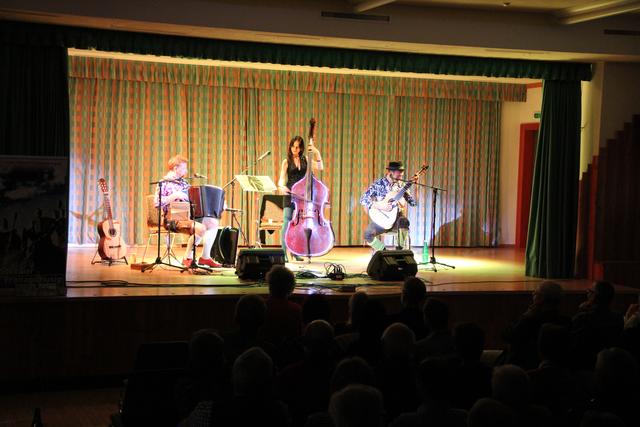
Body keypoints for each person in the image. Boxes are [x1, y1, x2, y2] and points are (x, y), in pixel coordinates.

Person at [155, 155, 221, 268]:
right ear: (176, 168)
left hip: (188, 215)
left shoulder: (184, 183)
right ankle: (187, 258)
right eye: (184, 168)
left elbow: (193, 198)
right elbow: (157, 203)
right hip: (172, 217)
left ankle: (205, 257)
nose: (186, 171)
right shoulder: (163, 183)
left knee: (213, 222)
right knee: (201, 228)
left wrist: (217, 202)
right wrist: (174, 196)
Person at [277, 135, 324, 261]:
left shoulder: (306, 160)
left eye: (297, 147)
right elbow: (281, 179)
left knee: (298, 226)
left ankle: (295, 251)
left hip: (302, 196)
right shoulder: (286, 161)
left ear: (301, 148)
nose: (295, 149)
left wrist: (316, 152)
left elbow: (320, 167)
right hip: (290, 194)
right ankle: (283, 253)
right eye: (293, 146)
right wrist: (281, 186)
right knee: (287, 222)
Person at [360, 161, 417, 252]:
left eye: (401, 176)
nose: (400, 178)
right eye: (398, 176)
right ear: (390, 173)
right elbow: (363, 199)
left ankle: (399, 251)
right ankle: (384, 252)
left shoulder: (401, 185)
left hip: (397, 219)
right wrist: (380, 206)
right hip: (381, 219)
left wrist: (408, 192)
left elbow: (413, 203)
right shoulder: (378, 184)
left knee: (404, 222)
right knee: (367, 234)